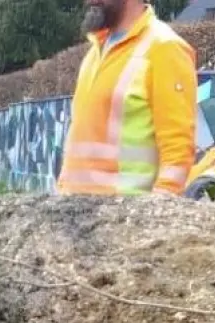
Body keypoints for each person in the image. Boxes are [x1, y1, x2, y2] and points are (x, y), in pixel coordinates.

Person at [56, 0, 198, 196]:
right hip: (74, 212)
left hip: (124, 217)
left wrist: (157, 216)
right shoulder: (95, 52)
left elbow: (177, 151)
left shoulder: (165, 48)